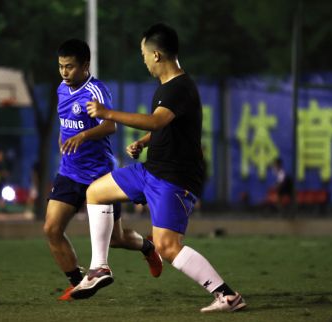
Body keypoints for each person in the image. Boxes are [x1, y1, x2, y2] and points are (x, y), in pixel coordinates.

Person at [70, 24, 246, 313]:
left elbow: (157, 121)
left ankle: (226, 295)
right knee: (96, 193)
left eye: (143, 54)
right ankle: (99, 268)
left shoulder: (178, 88)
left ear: (156, 55)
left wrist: (107, 114)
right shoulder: (169, 89)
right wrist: (144, 141)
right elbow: (167, 125)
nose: (142, 59)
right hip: (150, 171)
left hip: (174, 179)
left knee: (167, 246)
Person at [43, 39, 162, 301]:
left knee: (116, 239)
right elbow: (66, 125)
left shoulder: (96, 91)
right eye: (61, 66)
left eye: (70, 67)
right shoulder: (62, 89)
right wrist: (64, 140)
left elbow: (110, 126)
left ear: (85, 66)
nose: (64, 72)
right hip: (69, 172)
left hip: (99, 174)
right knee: (51, 228)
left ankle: (148, 247)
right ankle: (78, 281)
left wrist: (83, 136)